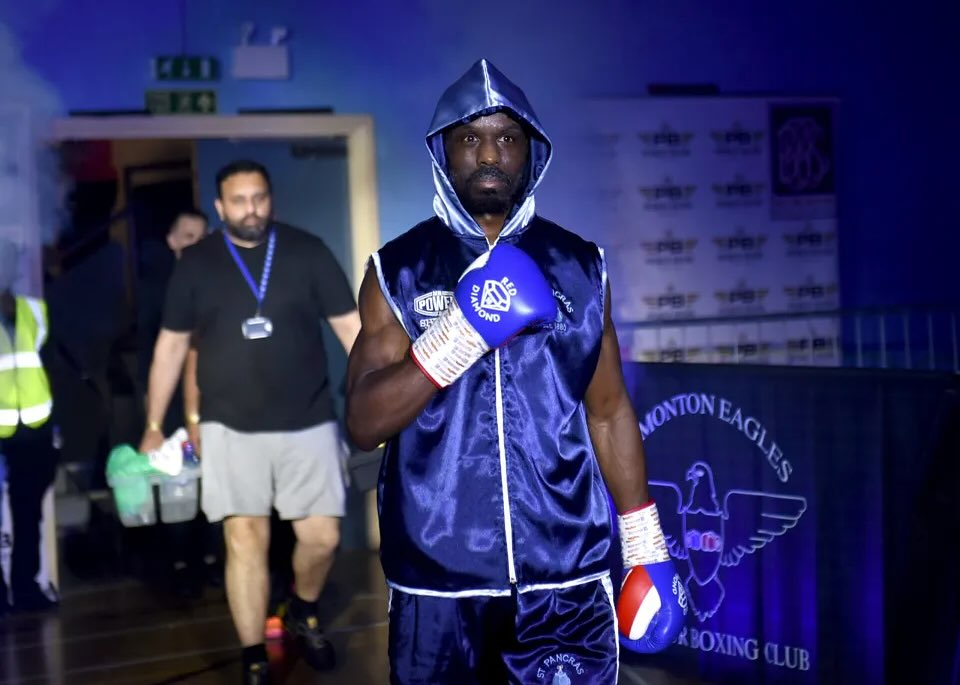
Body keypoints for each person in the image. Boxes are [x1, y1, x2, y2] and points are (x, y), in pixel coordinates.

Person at [345, 59, 687, 683]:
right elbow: (364, 424)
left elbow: (608, 411)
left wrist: (645, 543)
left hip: (567, 572)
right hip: (438, 580)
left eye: (506, 137)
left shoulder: (581, 266)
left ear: (531, 152)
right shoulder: (398, 270)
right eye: (470, 138)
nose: (488, 154)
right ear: (444, 152)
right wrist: (459, 335)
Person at [138, 159, 361, 684]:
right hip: (229, 425)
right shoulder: (197, 263)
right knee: (244, 539)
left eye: (259, 197)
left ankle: (302, 608)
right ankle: (253, 652)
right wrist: (153, 424)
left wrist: (382, 399)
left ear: (270, 198)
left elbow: (352, 330)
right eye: (238, 201)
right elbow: (171, 347)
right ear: (220, 207)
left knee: (323, 537)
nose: (251, 209)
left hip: (309, 418)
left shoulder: (308, 251)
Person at [136, 208, 221, 598]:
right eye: (188, 236)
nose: (197, 244)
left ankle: (210, 560)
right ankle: (180, 566)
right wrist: (153, 419)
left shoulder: (218, 283)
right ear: (171, 241)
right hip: (170, 407)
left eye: (202, 236)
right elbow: (152, 355)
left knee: (212, 484)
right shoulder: (157, 290)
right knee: (176, 484)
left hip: (214, 401)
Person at [0, 239, 61, 614]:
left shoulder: (34, 310)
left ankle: (26, 589)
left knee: (27, 515)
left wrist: (56, 425)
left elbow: (49, 367)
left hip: (33, 430)